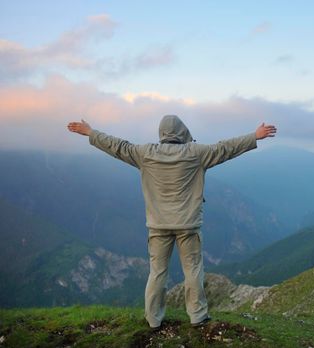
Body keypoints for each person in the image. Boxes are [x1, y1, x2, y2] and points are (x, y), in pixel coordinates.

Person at [67, 115, 277, 329]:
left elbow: (117, 146)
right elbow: (225, 148)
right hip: (188, 225)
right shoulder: (196, 154)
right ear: (182, 132)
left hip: (158, 225)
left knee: (157, 272)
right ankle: (197, 316)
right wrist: (254, 136)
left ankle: (153, 319)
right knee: (193, 270)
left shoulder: (145, 153)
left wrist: (90, 133)